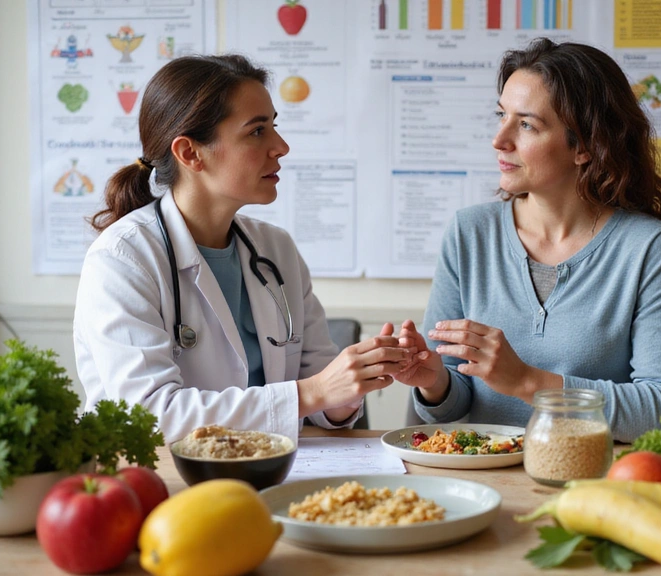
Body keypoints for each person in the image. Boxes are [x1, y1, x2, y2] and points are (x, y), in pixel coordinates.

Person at [74, 54, 411, 442]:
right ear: (190, 153)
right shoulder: (122, 259)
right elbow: (151, 415)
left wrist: (357, 379)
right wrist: (313, 393)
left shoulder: (276, 249)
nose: (281, 146)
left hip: (273, 467)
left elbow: (323, 399)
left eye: (274, 127)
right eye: (257, 131)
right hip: (164, 474)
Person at [396, 38, 661, 443]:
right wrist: (435, 381)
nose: (499, 139)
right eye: (502, 115)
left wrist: (528, 382)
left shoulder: (649, 248)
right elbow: (453, 400)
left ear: (585, 146)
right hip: (489, 473)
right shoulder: (469, 233)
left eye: (526, 125)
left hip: (593, 475)